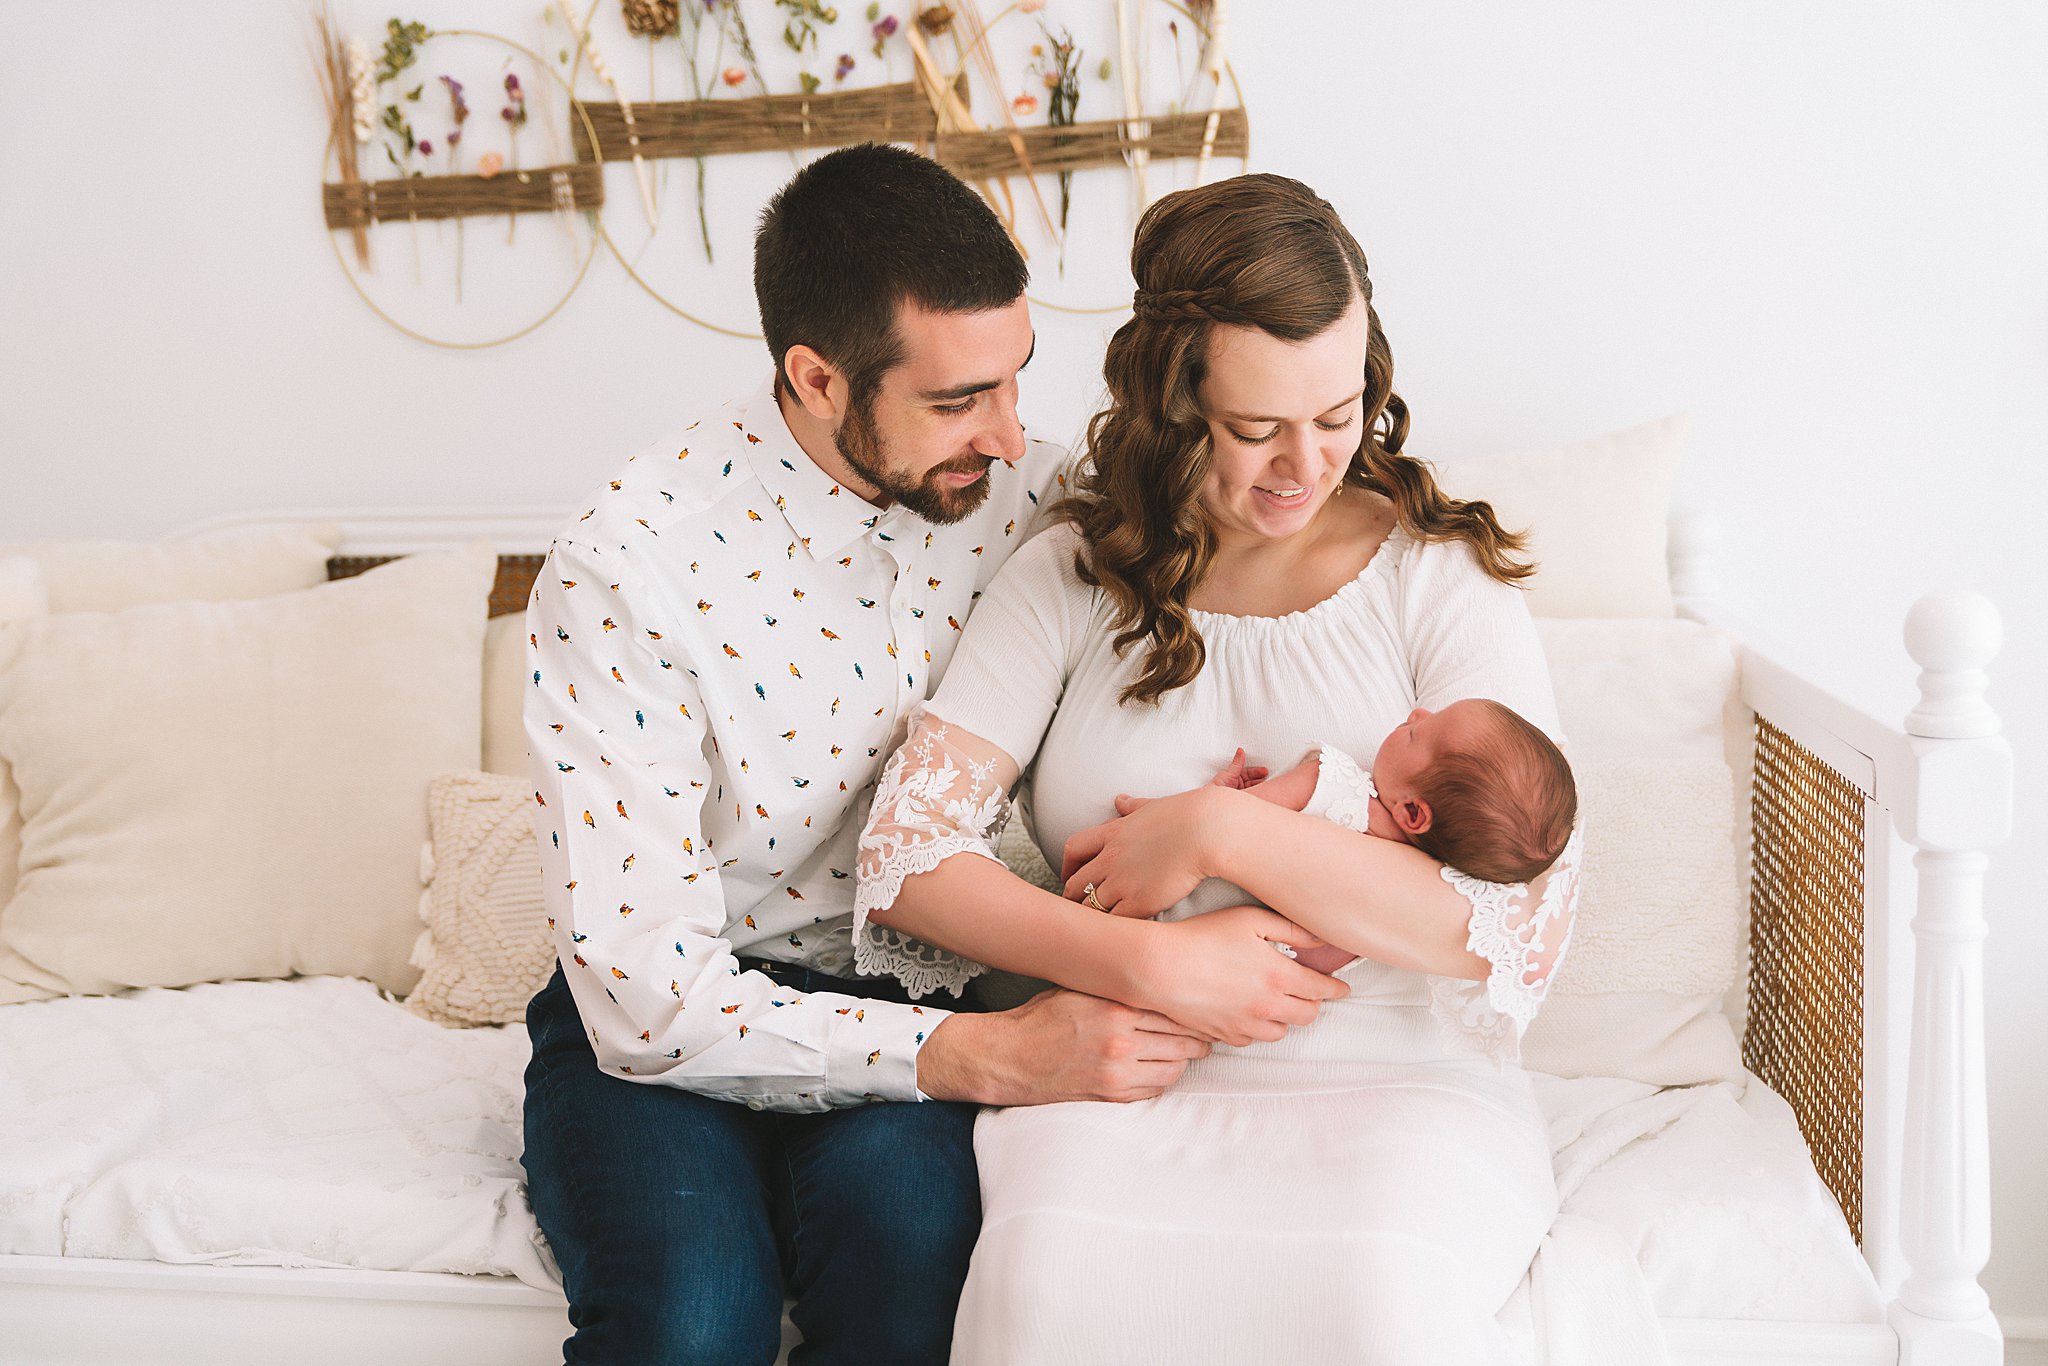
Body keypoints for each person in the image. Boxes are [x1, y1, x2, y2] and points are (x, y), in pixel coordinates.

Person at [518, 145, 1337, 1365]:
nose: (1011, 437)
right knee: (690, 1326)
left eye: (1016, 381)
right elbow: (644, 1000)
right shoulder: (627, 570)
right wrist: (988, 1053)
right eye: (959, 401)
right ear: (815, 378)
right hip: (678, 1031)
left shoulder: (1045, 498)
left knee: (920, 1297)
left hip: (920, 982)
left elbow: (1231, 590)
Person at [854, 172, 1585, 1363]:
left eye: (1337, 414)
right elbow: (903, 866)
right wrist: (1145, 958)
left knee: (1369, 1305)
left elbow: (1514, 917)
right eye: (1256, 429)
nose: (1304, 465)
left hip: (1396, 1084)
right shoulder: (1069, 579)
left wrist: (1220, 832)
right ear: (1172, 402)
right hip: (1120, 1069)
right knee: (1046, 1299)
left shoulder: (1429, 578)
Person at [1196, 699, 1578, 973]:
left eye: (1416, 734)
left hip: (1173, 886)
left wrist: (1214, 794)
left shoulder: (1329, 784)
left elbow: (1197, 822)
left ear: (1412, 812)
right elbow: (1290, 968)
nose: (1416, 713)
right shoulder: (1372, 932)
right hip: (1210, 963)